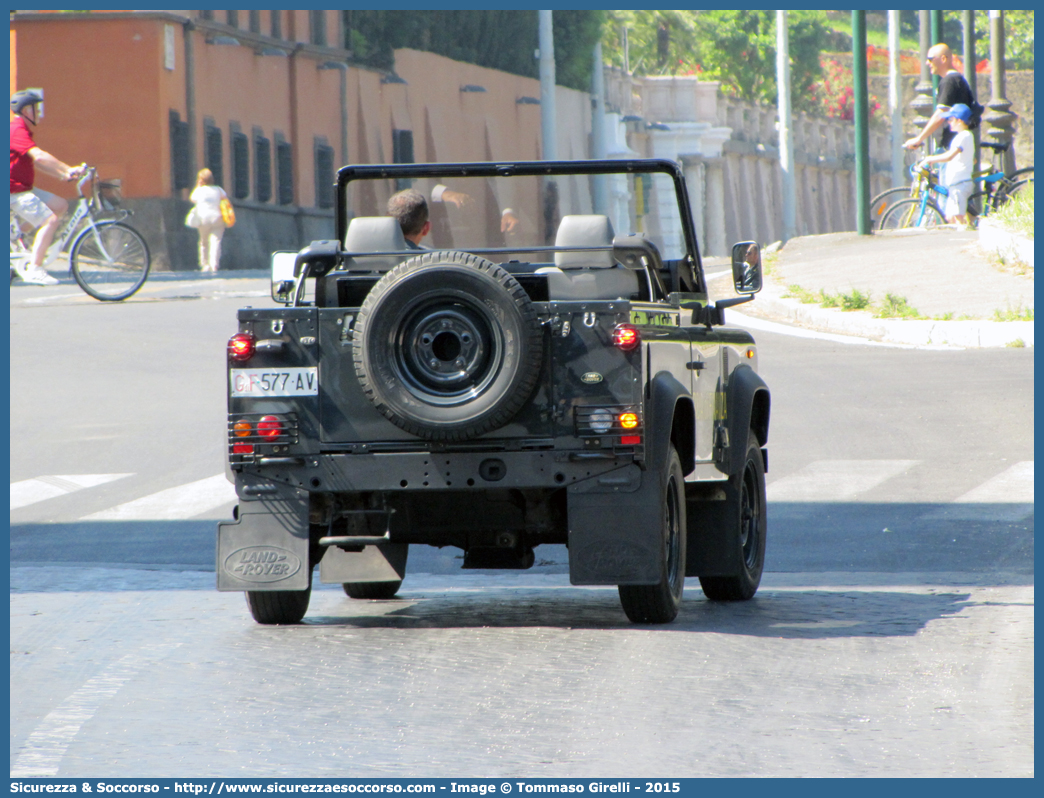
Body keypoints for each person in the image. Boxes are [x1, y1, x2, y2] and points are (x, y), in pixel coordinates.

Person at [9, 89, 86, 285]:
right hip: (13, 191)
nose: (39, 112)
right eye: (36, 108)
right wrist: (66, 168)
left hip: (22, 188)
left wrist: (63, 173)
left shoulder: (22, 131)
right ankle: (35, 269)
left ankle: (17, 239)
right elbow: (40, 156)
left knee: (60, 206)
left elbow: (39, 163)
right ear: (26, 110)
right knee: (50, 221)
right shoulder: (16, 129)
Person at [903, 43, 977, 153]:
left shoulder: (949, 81)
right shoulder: (957, 79)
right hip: (955, 144)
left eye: (930, 59)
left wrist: (919, 139)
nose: (927, 63)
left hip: (950, 144)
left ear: (943, 59)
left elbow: (940, 114)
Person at [916, 103, 975, 226]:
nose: (949, 122)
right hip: (956, 183)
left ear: (959, 120)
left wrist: (930, 159)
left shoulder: (963, 136)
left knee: (959, 218)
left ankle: (965, 236)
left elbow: (949, 156)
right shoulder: (964, 136)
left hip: (960, 183)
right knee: (950, 217)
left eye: (951, 119)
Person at [188, 168, 228, 271]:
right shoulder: (218, 189)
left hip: (203, 219)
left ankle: (204, 264)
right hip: (217, 218)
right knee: (216, 241)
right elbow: (225, 199)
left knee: (204, 242)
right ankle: (214, 264)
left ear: (200, 179)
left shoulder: (199, 190)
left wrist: (198, 186)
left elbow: (193, 199)